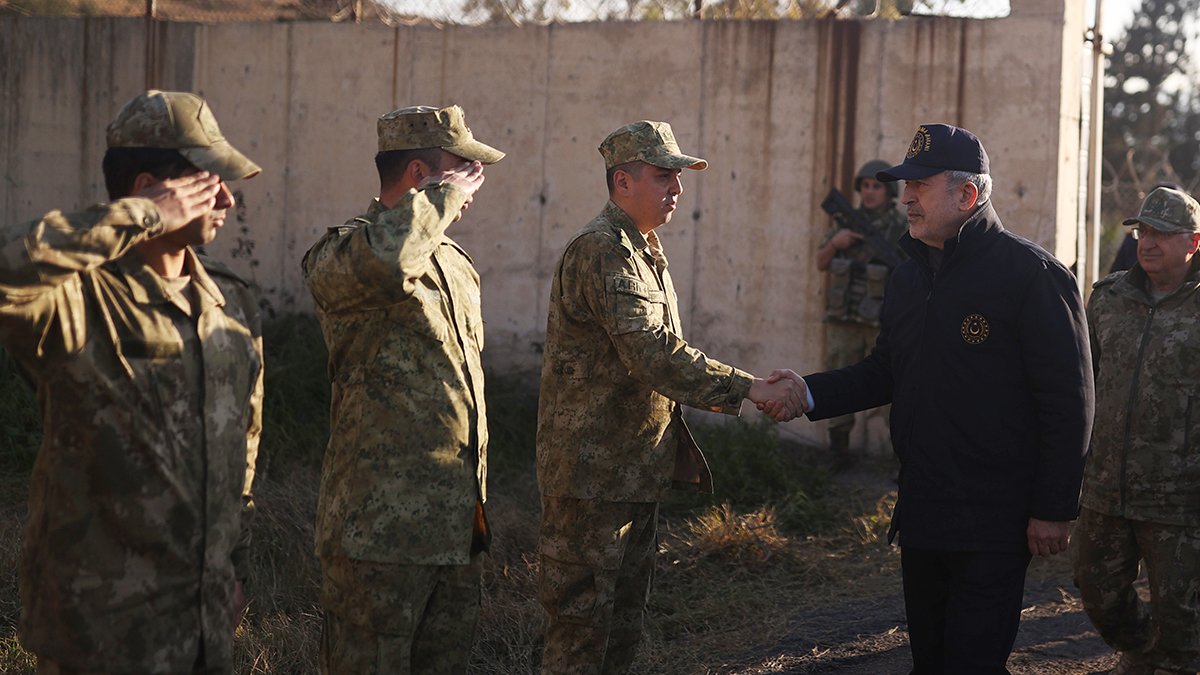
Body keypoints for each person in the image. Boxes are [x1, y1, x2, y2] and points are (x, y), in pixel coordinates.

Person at [775, 123, 1095, 673]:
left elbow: (1069, 401)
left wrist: (1053, 507)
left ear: (967, 195)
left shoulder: (1032, 275)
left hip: (994, 518)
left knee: (972, 662)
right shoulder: (909, 276)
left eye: (919, 186)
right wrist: (805, 391)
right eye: (905, 186)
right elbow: (884, 372)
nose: (906, 198)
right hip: (924, 509)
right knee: (930, 659)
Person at [2, 90, 264, 673]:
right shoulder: (76, 297)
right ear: (150, 186)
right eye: (207, 182)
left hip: (203, 624)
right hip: (102, 632)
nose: (226, 196)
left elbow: (239, 449)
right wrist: (140, 216)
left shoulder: (230, 301)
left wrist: (233, 570)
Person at [536, 120, 805, 674]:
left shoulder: (640, 248)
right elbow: (653, 353)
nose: (677, 189)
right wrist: (750, 388)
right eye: (663, 176)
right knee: (582, 631)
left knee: (621, 625)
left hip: (628, 470)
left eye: (679, 177)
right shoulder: (602, 250)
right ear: (622, 181)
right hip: (592, 479)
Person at [301, 104, 503, 674]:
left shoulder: (456, 263)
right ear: (420, 175)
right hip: (378, 537)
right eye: (464, 172)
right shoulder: (344, 251)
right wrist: (439, 201)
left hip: (454, 527)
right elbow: (389, 263)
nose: (473, 187)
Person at [1073, 186, 1200, 675]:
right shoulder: (1108, 300)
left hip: (1181, 500)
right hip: (1106, 488)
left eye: (1163, 234)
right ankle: (1144, 653)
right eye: (1143, 230)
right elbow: (1081, 385)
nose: (1148, 242)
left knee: (1181, 617)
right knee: (1098, 593)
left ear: (1193, 243)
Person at [814, 159, 907, 467]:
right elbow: (821, 262)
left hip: (882, 322)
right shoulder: (846, 223)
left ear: (889, 191)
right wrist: (836, 244)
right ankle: (837, 452)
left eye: (876, 186)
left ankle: (900, 460)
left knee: (894, 390)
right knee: (839, 382)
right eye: (865, 186)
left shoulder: (900, 227)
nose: (869, 192)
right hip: (845, 319)